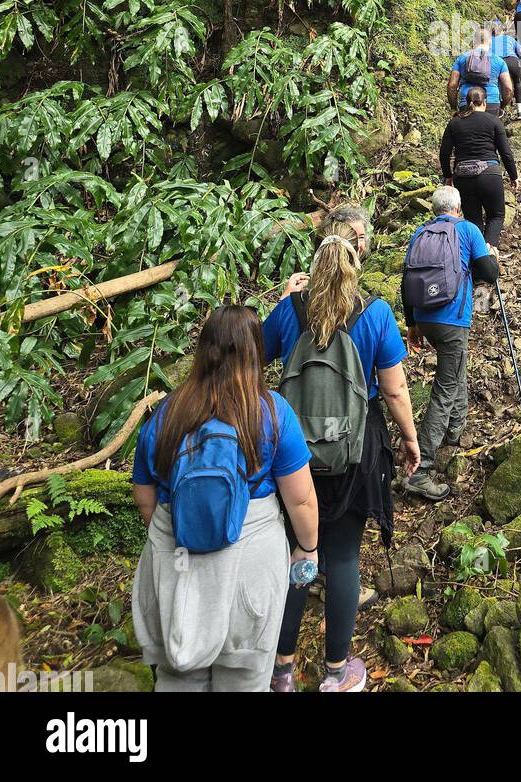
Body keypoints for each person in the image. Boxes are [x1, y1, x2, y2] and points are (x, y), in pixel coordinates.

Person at [263, 207, 420, 693]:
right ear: (357, 258)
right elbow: (393, 392)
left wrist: (281, 300)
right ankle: (336, 675)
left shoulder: (291, 310)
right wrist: (412, 441)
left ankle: (282, 669)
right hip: (356, 451)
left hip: (293, 453)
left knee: (297, 552)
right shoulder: (374, 313)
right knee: (345, 557)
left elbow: (252, 356)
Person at [131, 305, 318, 693]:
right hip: (249, 561)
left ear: (204, 349)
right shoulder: (271, 411)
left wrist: (186, 528)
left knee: (177, 677)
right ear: (255, 350)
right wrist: (307, 548)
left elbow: (146, 498)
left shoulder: (167, 413)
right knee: (246, 680)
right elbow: (301, 500)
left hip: (176, 563)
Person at [402, 185, 498, 500]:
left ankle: (456, 428)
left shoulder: (419, 233)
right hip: (452, 320)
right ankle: (421, 469)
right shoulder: (468, 230)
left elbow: (406, 280)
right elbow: (487, 273)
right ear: (457, 208)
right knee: (443, 390)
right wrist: (492, 256)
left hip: (425, 317)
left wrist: (413, 324)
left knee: (455, 367)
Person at [439, 85, 518, 252]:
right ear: (485, 102)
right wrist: (513, 176)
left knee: (473, 220)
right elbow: (506, 153)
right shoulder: (494, 121)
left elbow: (444, 153)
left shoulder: (454, 123)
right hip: (489, 174)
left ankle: (476, 259)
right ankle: (490, 253)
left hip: (463, 176)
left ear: (467, 102)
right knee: (496, 216)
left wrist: (448, 176)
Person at [448, 25, 513, 115]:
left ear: (474, 41)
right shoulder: (499, 61)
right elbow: (508, 88)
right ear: (490, 42)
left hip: (467, 102)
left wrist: (453, 108)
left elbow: (452, 85)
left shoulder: (462, 58)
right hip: (491, 103)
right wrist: (502, 106)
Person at [490, 19, 521, 119]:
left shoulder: (489, 40)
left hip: (496, 62)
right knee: (517, 83)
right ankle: (520, 112)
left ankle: (496, 110)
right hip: (512, 61)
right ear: (502, 30)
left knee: (495, 84)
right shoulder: (509, 39)